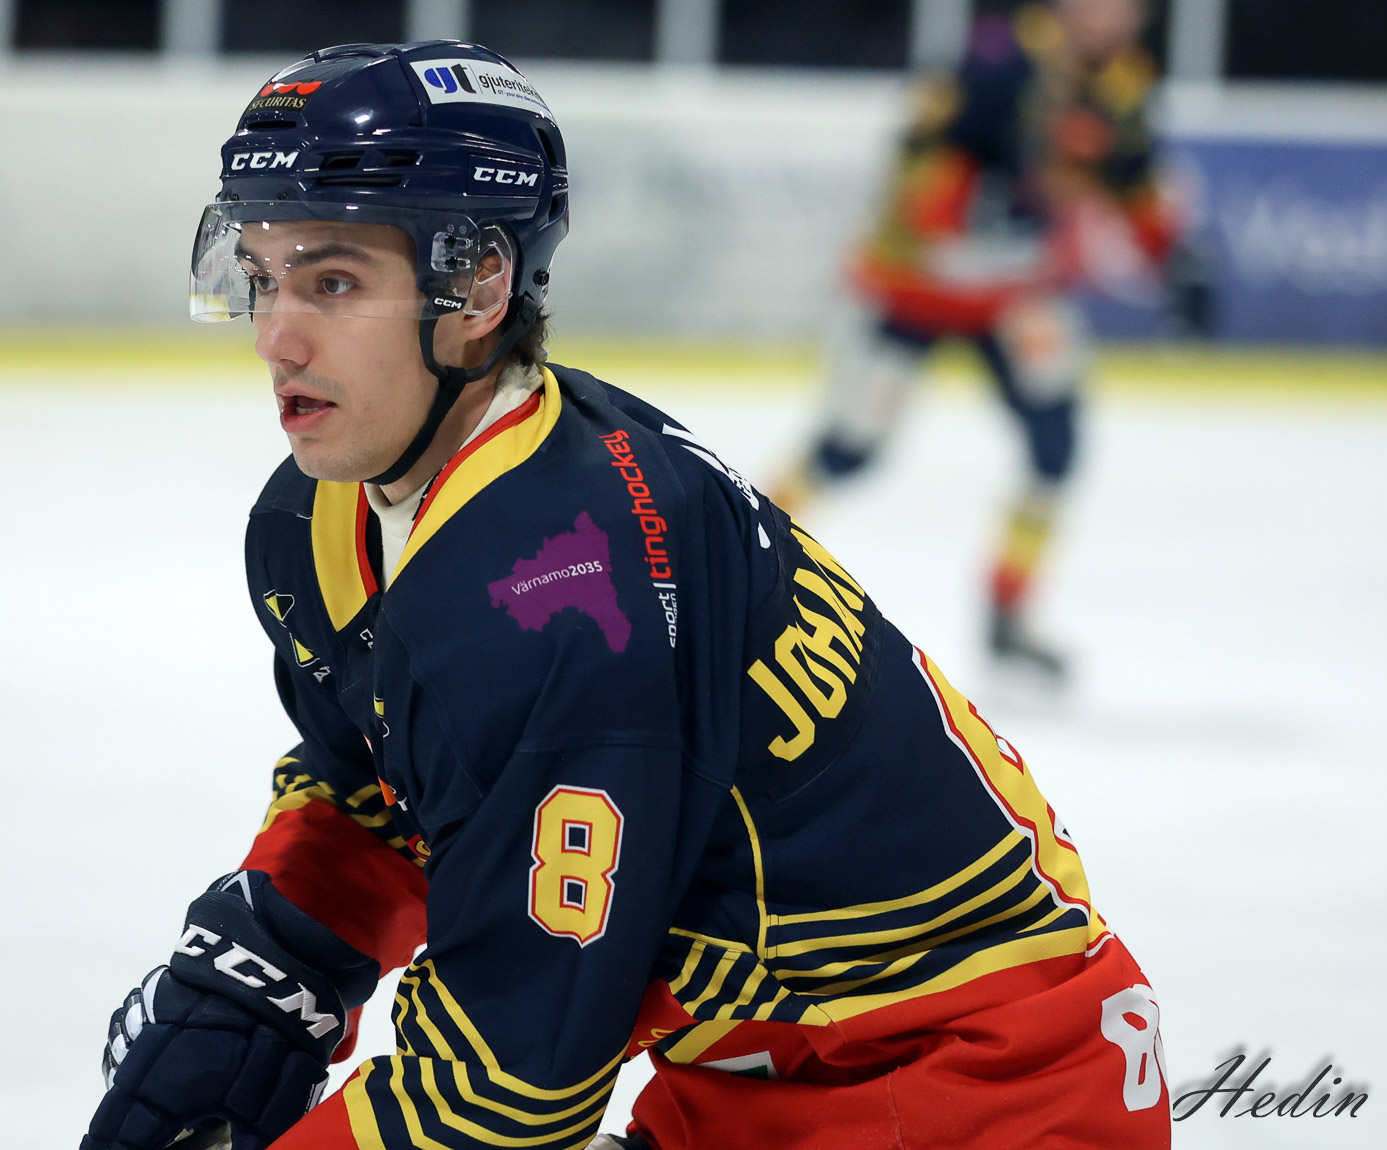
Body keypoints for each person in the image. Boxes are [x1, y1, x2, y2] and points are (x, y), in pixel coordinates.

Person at [81, 41, 1170, 1150]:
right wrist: (262, 958)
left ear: (479, 287)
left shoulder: (560, 589)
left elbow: (503, 1093)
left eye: (333, 282)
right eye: (260, 275)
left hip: (976, 1094)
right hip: (778, 1087)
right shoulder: (325, 523)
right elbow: (387, 783)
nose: (275, 335)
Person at [775, 0, 1209, 682]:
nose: (1113, 15)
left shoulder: (1124, 85)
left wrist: (1174, 260)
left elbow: (1133, 182)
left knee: (1056, 447)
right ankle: (739, 555)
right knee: (848, 450)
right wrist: (952, 204)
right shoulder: (998, 62)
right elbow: (914, 153)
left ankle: (1009, 610)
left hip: (1012, 293)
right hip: (918, 287)